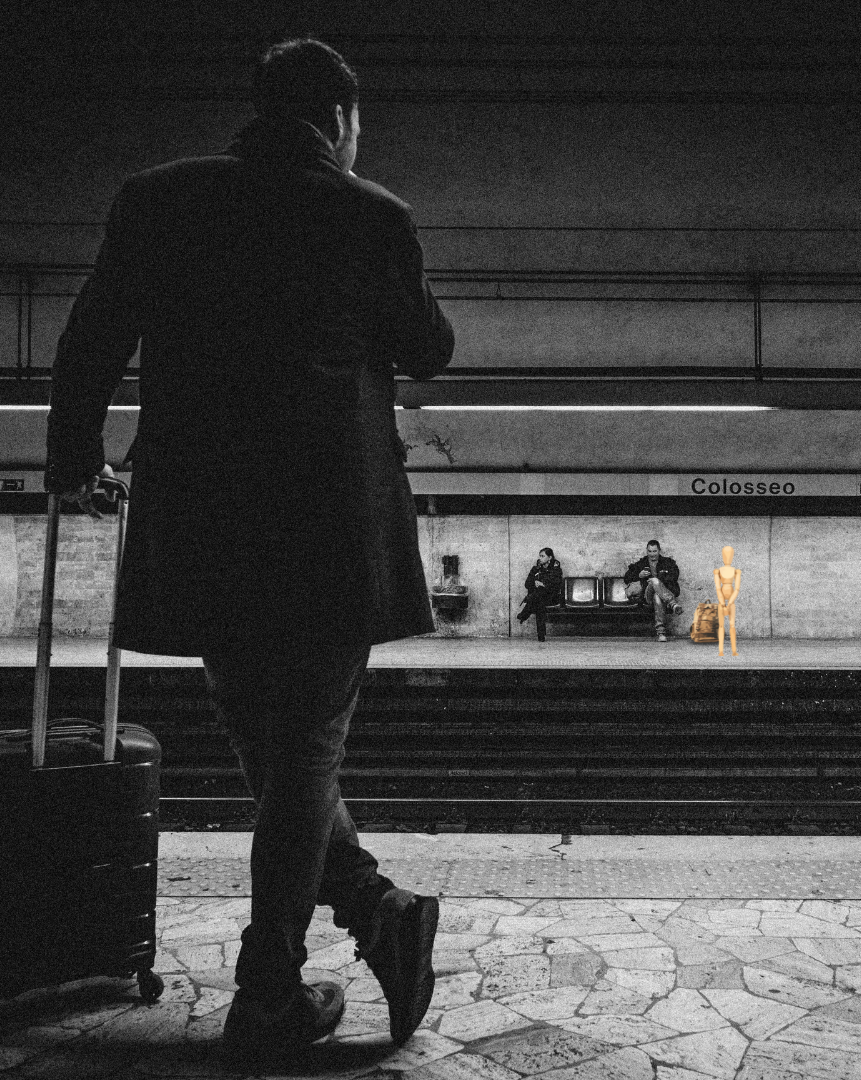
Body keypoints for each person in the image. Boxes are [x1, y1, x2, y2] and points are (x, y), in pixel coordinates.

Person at [44, 38, 453, 1065]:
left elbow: (91, 334)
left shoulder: (160, 201)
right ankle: (272, 988)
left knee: (270, 749)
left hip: (207, 529)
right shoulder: (371, 215)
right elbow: (429, 347)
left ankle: (374, 914)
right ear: (343, 120)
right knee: (302, 753)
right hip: (329, 533)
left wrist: (70, 460)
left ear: (261, 110)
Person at [624, 539, 683, 641]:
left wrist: (661, 578)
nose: (652, 554)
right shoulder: (641, 563)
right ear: (647, 551)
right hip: (648, 596)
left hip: (661, 595)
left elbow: (675, 576)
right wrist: (639, 575)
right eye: (649, 551)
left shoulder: (668, 562)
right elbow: (626, 578)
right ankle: (673, 604)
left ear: (659, 551)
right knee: (654, 582)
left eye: (654, 551)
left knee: (657, 595)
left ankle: (661, 633)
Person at [516, 547, 563, 641]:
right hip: (538, 597)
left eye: (543, 556)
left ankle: (525, 613)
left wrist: (543, 584)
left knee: (538, 596)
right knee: (539, 602)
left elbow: (556, 585)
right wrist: (534, 582)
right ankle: (541, 635)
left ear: (549, 558)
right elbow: (527, 584)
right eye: (540, 556)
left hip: (551, 597)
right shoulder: (535, 569)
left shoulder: (556, 569)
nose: (540, 558)